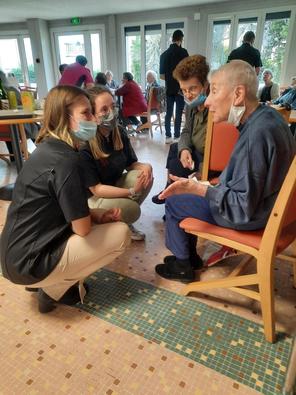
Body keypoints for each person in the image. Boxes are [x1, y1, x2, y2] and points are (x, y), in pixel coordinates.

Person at [155, 60, 296, 282]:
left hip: (255, 216)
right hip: (272, 209)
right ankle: (189, 258)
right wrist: (210, 184)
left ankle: (184, 265)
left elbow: (241, 207)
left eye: (214, 91)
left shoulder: (255, 135)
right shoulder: (270, 118)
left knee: (175, 201)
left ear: (238, 94)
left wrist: (200, 190)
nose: (208, 100)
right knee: (188, 186)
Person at [0, 85, 130, 313]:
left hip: (13, 255)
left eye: (92, 111)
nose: (94, 119)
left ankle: (47, 282)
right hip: (29, 263)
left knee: (101, 227)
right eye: (86, 113)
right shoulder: (67, 161)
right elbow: (81, 229)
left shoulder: (46, 150)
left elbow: (60, 210)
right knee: (121, 234)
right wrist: (97, 219)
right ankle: (52, 289)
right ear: (64, 117)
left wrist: (97, 215)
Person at [80, 85, 153, 241]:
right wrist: (131, 192)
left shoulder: (118, 131)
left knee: (145, 175)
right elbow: (97, 189)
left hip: (113, 186)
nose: (111, 113)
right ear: (92, 115)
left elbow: (131, 164)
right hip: (94, 198)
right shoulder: (85, 144)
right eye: (104, 109)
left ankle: (121, 218)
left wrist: (146, 166)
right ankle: (115, 219)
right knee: (133, 209)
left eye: (113, 107)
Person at [152, 55, 209, 204]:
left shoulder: (215, 109)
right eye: (184, 90)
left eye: (192, 88)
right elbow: (186, 131)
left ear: (206, 84)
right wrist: (184, 149)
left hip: (206, 159)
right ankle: (169, 189)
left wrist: (201, 171)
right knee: (175, 148)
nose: (188, 95)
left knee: (176, 164)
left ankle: (172, 198)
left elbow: (216, 152)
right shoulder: (191, 106)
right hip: (195, 152)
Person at [160, 29, 189, 144]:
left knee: (168, 112)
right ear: (181, 39)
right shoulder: (184, 53)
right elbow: (188, 73)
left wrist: (170, 80)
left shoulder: (164, 55)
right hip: (181, 89)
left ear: (172, 39)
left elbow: (162, 76)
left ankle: (168, 136)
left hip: (169, 88)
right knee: (178, 113)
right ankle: (177, 136)